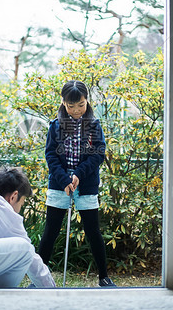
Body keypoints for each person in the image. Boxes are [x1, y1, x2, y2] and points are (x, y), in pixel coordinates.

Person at [38, 80, 116, 287]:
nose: (76, 111)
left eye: (81, 105)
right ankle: (39, 280)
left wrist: (79, 174)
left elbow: (99, 153)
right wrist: (64, 179)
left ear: (87, 101)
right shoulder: (55, 126)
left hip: (86, 183)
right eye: (71, 106)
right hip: (59, 184)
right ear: (63, 103)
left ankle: (104, 278)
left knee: (93, 232)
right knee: (50, 232)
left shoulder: (93, 125)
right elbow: (50, 156)